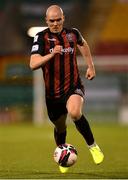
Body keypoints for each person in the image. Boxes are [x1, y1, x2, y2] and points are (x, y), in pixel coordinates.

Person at [30, 5, 104, 173]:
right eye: (51, 21)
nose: (55, 23)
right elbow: (33, 64)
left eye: (58, 20)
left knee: (75, 112)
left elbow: (83, 45)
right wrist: (51, 54)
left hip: (73, 85)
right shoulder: (40, 37)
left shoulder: (73, 33)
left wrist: (91, 66)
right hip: (52, 93)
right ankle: (62, 154)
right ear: (46, 21)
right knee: (60, 127)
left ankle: (93, 146)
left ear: (63, 19)